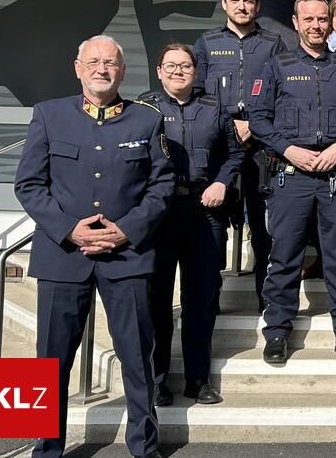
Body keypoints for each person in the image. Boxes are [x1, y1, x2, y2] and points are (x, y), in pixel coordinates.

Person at [15, 35, 173, 458]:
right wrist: (69, 229)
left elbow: (162, 186)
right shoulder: (49, 115)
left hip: (127, 256)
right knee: (48, 363)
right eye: (94, 62)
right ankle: (44, 450)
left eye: (111, 63)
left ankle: (144, 447)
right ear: (78, 67)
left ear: (123, 70)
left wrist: (126, 230)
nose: (103, 69)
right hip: (63, 256)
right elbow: (28, 184)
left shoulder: (146, 120)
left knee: (138, 360)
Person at [248, 0, 336, 365]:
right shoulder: (277, 66)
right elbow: (258, 118)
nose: (317, 26)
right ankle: (277, 333)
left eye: (323, 19)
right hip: (292, 175)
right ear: (296, 22)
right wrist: (288, 150)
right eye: (310, 20)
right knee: (285, 256)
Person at [142, 44, 242, 407]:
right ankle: (157, 380)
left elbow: (235, 154)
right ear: (159, 71)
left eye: (185, 65)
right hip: (161, 215)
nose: (178, 71)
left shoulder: (214, 107)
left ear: (196, 71)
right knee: (157, 300)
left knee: (200, 300)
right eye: (171, 65)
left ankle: (198, 379)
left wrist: (222, 182)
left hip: (205, 210)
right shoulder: (144, 107)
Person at [193, 0, 287, 308]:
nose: (242, 6)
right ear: (224, 4)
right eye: (236, 1)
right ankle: (210, 296)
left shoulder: (273, 43)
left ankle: (267, 297)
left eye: (248, 1)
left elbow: (283, 92)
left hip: (260, 144)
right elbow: (197, 93)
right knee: (214, 219)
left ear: (257, 6)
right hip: (220, 143)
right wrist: (229, 124)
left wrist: (255, 125)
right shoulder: (206, 43)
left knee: (263, 222)